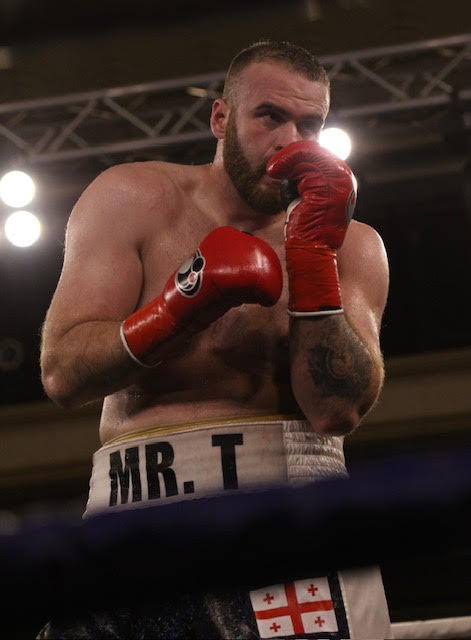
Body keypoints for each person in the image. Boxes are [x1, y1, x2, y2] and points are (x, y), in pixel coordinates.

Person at [39, 40, 391, 639]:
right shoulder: (133, 199)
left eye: (309, 125)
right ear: (221, 118)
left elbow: (339, 408)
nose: (290, 141)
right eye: (270, 116)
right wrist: (178, 307)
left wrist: (311, 259)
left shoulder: (351, 244)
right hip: (129, 518)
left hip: (284, 518)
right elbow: (63, 374)